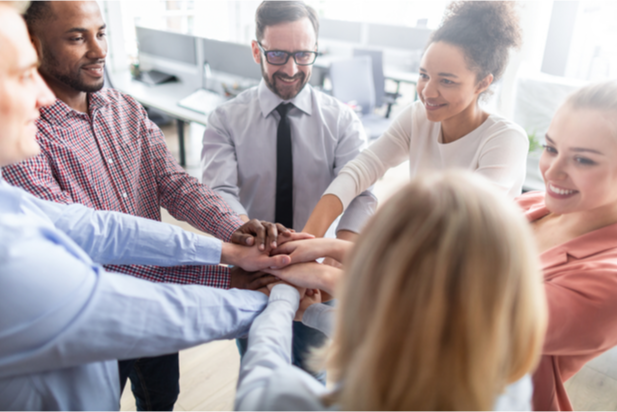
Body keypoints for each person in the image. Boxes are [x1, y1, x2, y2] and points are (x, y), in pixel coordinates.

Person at [0, 1, 304, 409]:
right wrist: (227, 278)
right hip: (107, 314)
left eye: (102, 33)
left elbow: (171, 183)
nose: (99, 50)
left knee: (162, 396)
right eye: (77, 37)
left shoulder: (124, 108)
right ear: (35, 47)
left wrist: (233, 230)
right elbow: (86, 250)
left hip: (160, 292)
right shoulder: (27, 140)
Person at [234, 171, 548, 410]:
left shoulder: (295, 400)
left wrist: (283, 298)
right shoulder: (511, 385)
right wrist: (314, 311)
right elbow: (405, 332)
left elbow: (259, 375)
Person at [201, 0, 377, 374]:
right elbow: (219, 192)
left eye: (303, 55)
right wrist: (253, 250)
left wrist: (335, 255)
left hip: (320, 270)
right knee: (259, 369)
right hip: (254, 272)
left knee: (314, 373)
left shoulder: (342, 121)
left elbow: (361, 194)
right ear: (256, 50)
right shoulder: (225, 120)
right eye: (278, 54)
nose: (292, 69)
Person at [303, 1, 529, 238]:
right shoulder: (417, 117)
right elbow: (361, 169)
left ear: (483, 83)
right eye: (424, 75)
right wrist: (309, 237)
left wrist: (337, 249)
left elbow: (459, 226)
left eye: (447, 81)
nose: (428, 92)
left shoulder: (505, 140)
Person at [515, 80, 617, 411]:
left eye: (583, 161)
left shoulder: (609, 280)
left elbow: (478, 320)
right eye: (550, 148)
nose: (552, 171)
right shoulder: (531, 204)